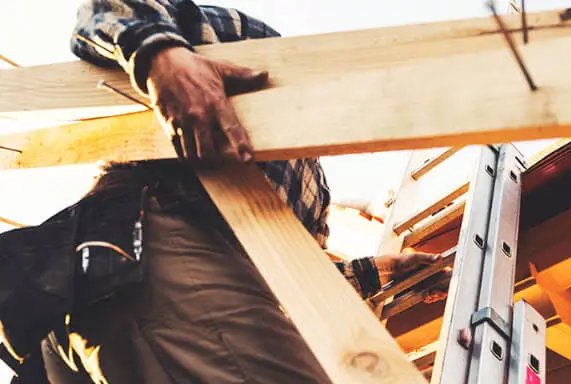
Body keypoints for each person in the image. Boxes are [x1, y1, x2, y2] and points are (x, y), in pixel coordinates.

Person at [0, 1, 445, 383]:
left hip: (112, 308)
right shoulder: (261, 58)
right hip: (137, 254)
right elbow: (108, 11)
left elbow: (282, 286)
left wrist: (383, 271)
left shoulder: (311, 192)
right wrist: (161, 57)